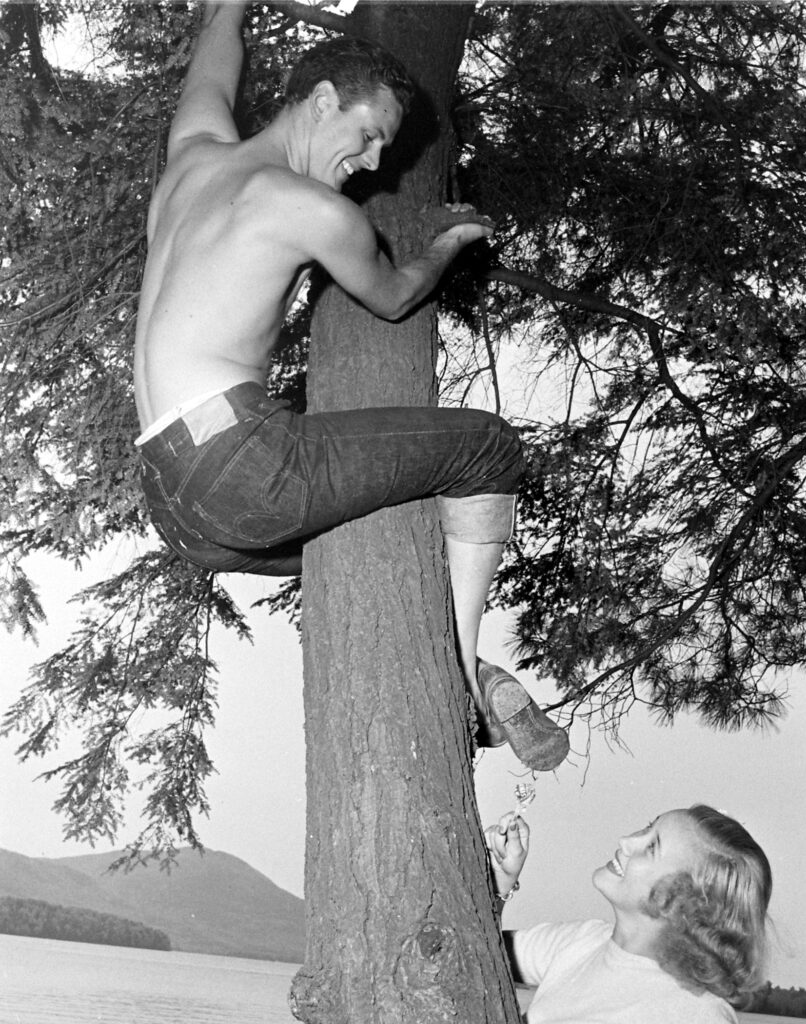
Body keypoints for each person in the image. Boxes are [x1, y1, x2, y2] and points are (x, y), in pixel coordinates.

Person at [132, 2, 568, 771]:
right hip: (242, 467)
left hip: (176, 504)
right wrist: (449, 243)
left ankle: (464, 655)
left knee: (392, 532)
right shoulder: (311, 207)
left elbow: (213, 56)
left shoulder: (192, 156)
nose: (370, 162)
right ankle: (467, 675)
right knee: (488, 449)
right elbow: (396, 295)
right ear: (322, 99)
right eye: (367, 134)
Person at [484, 805, 772, 1023]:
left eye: (651, 847)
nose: (625, 841)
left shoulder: (698, 1014)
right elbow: (477, 953)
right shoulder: (582, 940)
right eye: (646, 828)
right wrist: (499, 884)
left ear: (687, 903)